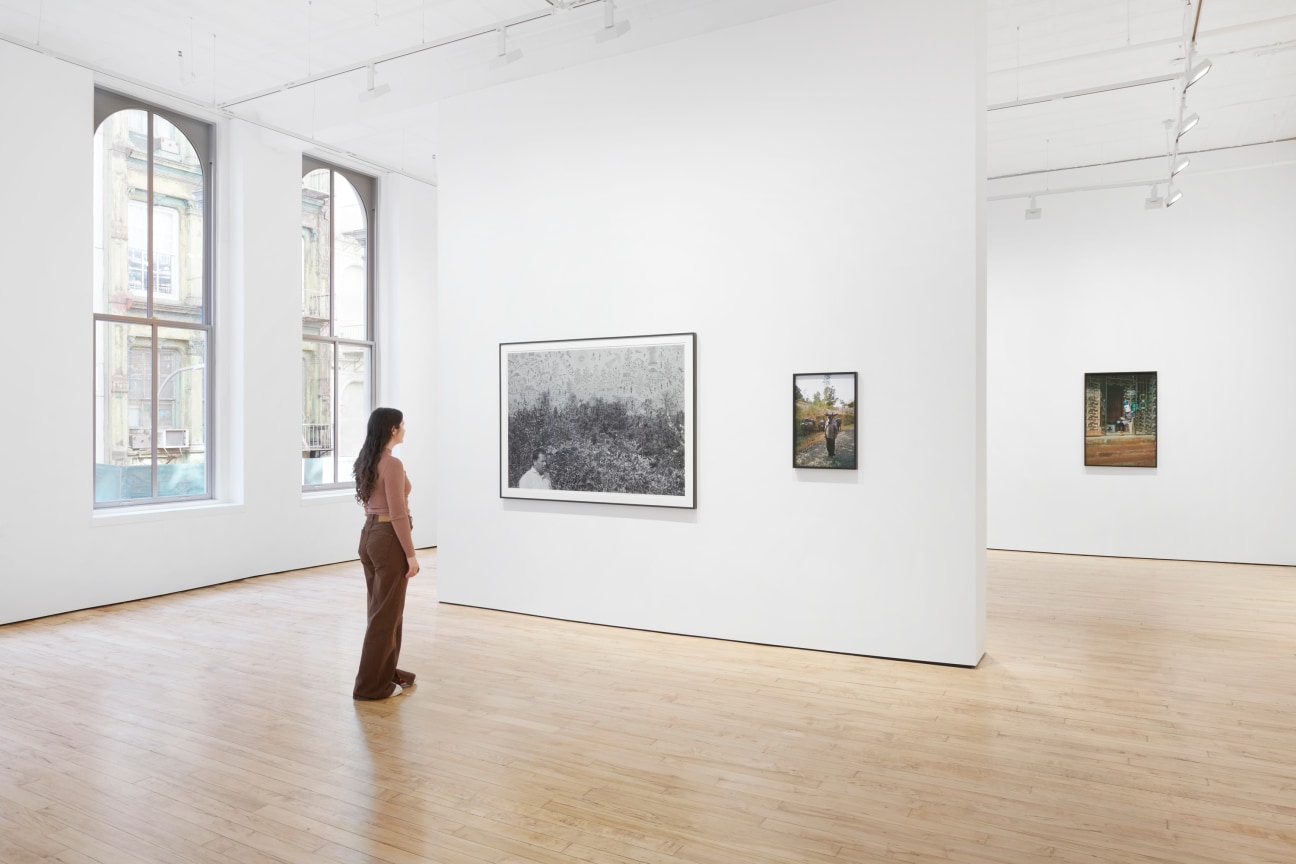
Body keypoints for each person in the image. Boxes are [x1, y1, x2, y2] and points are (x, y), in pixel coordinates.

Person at [351, 407, 419, 701]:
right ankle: (370, 687)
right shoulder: (392, 464)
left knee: (383, 612)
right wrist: (411, 555)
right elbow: (398, 513)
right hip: (388, 539)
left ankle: (386, 672)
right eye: (402, 425)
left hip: (369, 536)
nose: (405, 429)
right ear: (393, 429)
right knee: (385, 616)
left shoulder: (368, 459)